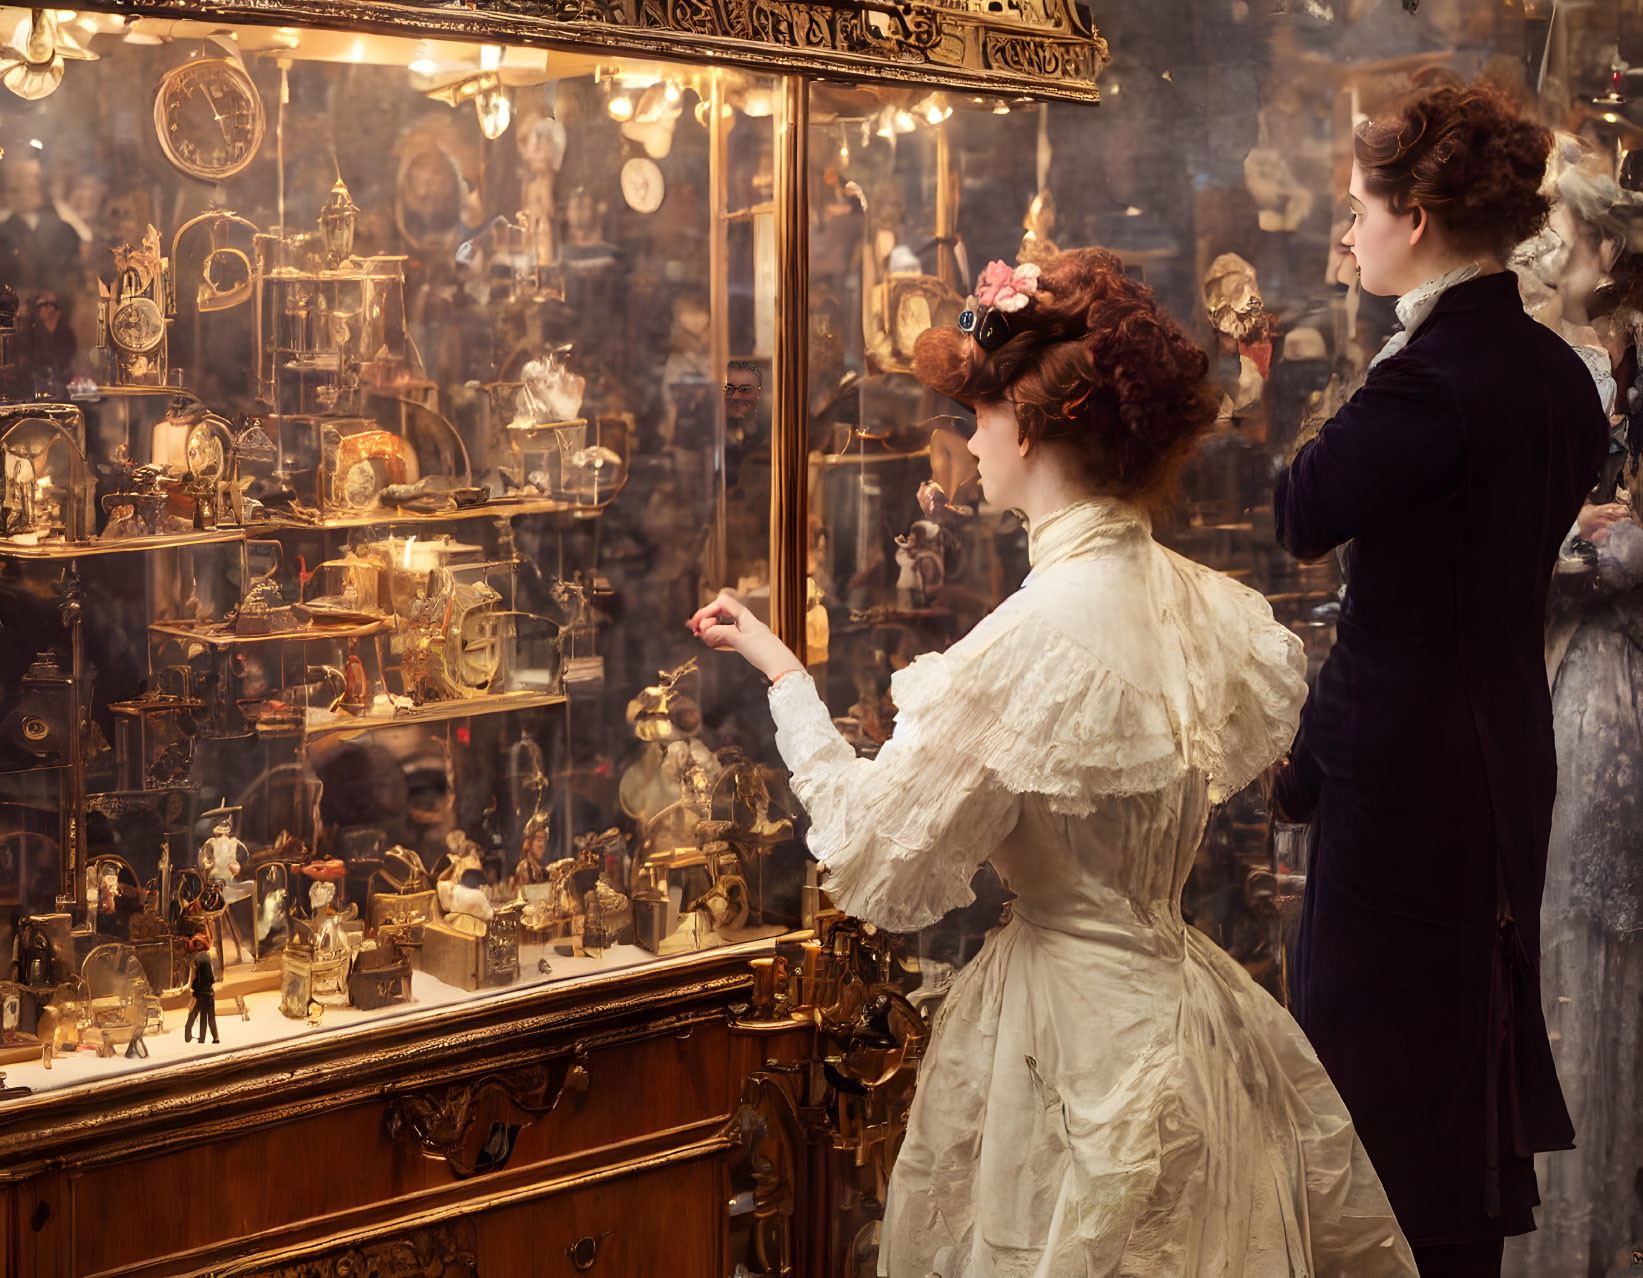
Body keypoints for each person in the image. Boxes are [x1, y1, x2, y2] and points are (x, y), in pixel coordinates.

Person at [691, 247, 1418, 1275]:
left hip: (1064, 1044)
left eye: (976, 418)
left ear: (1026, 427)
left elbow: (872, 863)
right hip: (1192, 1021)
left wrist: (783, 681)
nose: (967, 444)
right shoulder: (1205, 606)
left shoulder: (1028, 642)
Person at [1273, 81, 1609, 1278]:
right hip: (1501, 745)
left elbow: (1300, 511)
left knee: (1377, 1071)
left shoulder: (1426, 377)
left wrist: (1373, 368)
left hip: (1408, 766)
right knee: (1456, 1040)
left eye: (1358, 210)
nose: (1347, 236)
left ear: (1413, 215)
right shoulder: (1559, 377)